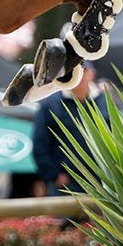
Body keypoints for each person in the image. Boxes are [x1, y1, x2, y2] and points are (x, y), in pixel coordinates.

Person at [29, 64, 103, 196]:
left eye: (83, 71)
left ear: (92, 73)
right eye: (73, 71)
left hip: (102, 183)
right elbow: (40, 143)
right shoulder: (50, 104)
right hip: (66, 185)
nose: (79, 76)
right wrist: (54, 175)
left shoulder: (105, 101)